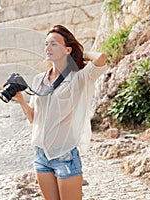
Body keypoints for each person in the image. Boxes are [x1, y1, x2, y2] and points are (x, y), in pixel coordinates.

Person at [15, 25, 108, 200]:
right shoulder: (38, 80)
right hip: (41, 155)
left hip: (65, 155)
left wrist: (80, 52)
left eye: (54, 44)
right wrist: (20, 100)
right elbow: (34, 118)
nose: (48, 48)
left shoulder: (78, 78)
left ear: (67, 49)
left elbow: (101, 58)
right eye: (46, 44)